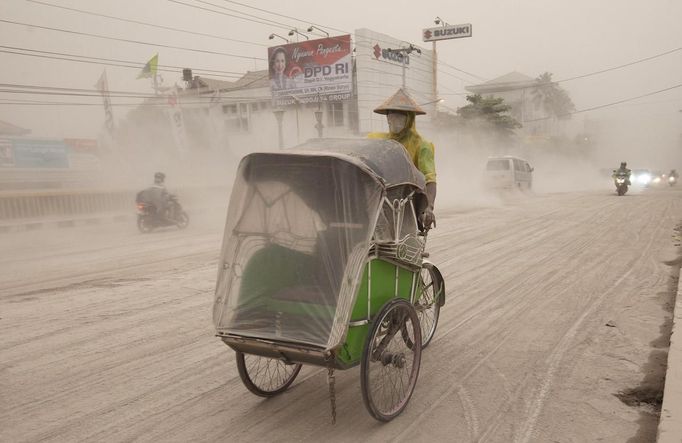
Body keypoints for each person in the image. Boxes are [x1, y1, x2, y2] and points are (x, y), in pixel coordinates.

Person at [368, 88, 437, 229]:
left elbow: (430, 179)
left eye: (400, 117)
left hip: (406, 203)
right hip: (378, 199)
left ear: (409, 119)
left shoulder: (422, 145)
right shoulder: (376, 139)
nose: (394, 120)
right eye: (391, 116)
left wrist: (429, 207)